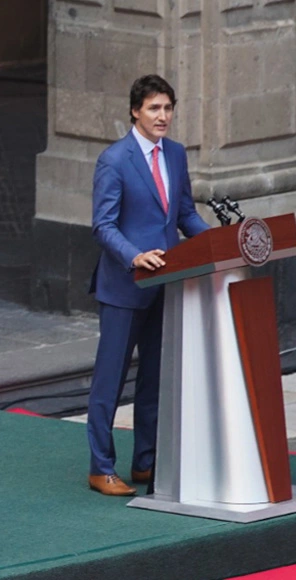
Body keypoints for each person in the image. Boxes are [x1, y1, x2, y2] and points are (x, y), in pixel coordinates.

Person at [86, 75, 209, 496]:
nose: (163, 116)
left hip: (166, 284)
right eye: (155, 108)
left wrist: (217, 241)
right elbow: (102, 225)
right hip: (124, 287)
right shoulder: (114, 160)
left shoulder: (175, 154)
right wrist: (134, 255)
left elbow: (184, 214)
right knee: (109, 381)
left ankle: (146, 461)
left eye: (168, 108)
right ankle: (101, 468)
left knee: (155, 379)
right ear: (135, 111)